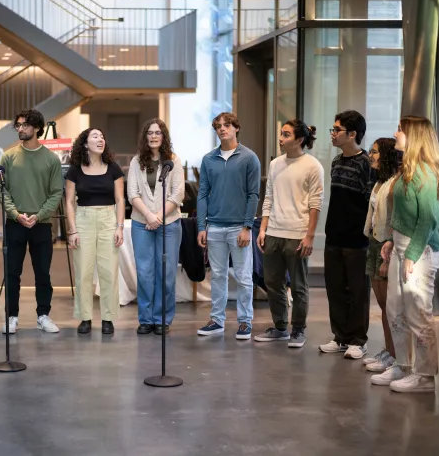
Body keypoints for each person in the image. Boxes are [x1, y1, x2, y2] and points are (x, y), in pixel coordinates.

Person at [371, 116, 439, 393]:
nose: (396, 133)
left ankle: (425, 376)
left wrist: (412, 256)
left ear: (414, 136)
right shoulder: (407, 171)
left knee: (417, 312)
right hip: (404, 246)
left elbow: (427, 221)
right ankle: (402, 365)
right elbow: (404, 215)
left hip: (422, 249)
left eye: (401, 130)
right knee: (395, 309)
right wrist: (392, 240)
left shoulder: (424, 173)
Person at [254, 120, 323, 348]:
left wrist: (310, 235)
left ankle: (299, 330)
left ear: (299, 139)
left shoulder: (313, 166)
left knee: (299, 285)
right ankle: (281, 327)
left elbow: (316, 204)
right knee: (272, 282)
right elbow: (269, 198)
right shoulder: (275, 164)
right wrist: (263, 228)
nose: (281, 138)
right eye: (281, 134)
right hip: (273, 231)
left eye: (286, 134)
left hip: (297, 234)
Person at [196, 112, 261, 340]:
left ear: (236, 128)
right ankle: (217, 320)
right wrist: (201, 226)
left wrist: (247, 226)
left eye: (226, 125)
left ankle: (245, 322)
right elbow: (202, 194)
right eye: (218, 126)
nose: (222, 129)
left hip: (238, 227)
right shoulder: (208, 159)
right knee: (218, 276)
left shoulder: (249, 158)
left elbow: (254, 195)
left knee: (244, 277)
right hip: (214, 226)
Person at [0, 109, 63, 334]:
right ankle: (12, 317)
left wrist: (40, 215)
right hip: (15, 223)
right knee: (12, 273)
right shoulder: (8, 157)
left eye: (25, 125)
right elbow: (2, 191)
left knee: (43, 273)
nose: (20, 129)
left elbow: (56, 192)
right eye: (17, 125)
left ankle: (43, 315)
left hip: (42, 224)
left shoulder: (51, 159)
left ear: (37, 128)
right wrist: (16, 214)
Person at [319, 110, 374, 359]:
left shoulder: (367, 164)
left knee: (358, 291)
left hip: (358, 240)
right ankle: (340, 337)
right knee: (335, 289)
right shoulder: (336, 162)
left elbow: (370, 204)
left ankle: (357, 340)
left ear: (352, 134)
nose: (332, 134)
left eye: (336, 130)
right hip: (335, 236)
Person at [127, 119, 184, 335]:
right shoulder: (136, 162)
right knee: (144, 272)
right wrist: (149, 216)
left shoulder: (173, 161)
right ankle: (146, 318)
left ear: (164, 136)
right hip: (142, 223)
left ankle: (162, 319)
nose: (153, 136)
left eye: (158, 133)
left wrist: (158, 217)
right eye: (150, 132)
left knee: (167, 273)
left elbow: (177, 194)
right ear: (145, 137)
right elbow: (132, 193)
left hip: (169, 223)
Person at [65, 128, 125, 334]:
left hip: (109, 218)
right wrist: (72, 230)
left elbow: (120, 199)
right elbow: (70, 202)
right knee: (83, 271)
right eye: (95, 136)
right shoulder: (74, 170)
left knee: (109, 271)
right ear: (85, 143)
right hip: (83, 219)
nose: (100, 139)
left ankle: (108, 318)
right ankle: (85, 317)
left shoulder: (113, 168)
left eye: (102, 136)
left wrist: (120, 226)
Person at [361, 138, 400, 372]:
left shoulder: (395, 183)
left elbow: (394, 219)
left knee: (390, 306)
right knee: (383, 304)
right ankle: (389, 350)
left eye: (375, 152)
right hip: (374, 242)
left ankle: (396, 354)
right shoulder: (378, 182)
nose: (371, 156)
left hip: (387, 244)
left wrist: (389, 246)